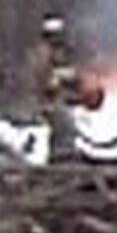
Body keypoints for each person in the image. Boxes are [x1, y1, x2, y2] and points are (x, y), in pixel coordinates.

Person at [33, 15, 79, 161]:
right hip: (48, 106)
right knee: (65, 119)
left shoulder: (65, 52)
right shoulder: (41, 54)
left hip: (65, 101)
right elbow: (46, 83)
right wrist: (60, 77)